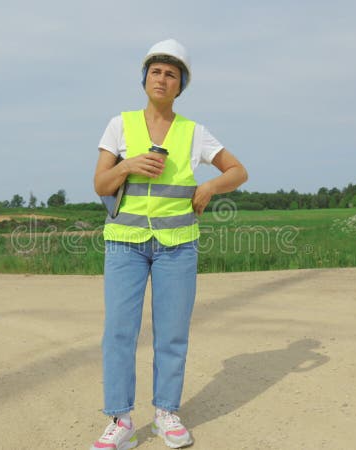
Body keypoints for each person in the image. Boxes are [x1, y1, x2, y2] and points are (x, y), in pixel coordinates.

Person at [91, 38, 248, 450]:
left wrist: (211, 185)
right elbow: (100, 185)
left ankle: (166, 413)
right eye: (156, 72)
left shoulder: (194, 133)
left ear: (181, 85)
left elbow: (238, 171)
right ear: (145, 79)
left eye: (171, 74)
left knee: (172, 334)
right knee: (119, 333)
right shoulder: (119, 125)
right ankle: (120, 420)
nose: (162, 79)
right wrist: (126, 165)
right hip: (125, 243)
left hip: (177, 245)